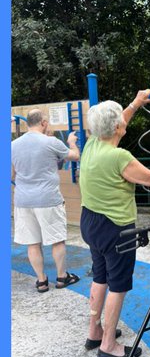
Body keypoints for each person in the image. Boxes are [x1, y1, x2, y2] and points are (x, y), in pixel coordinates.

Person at [79, 91, 150, 357]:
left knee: (100, 276)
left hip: (91, 223)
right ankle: (108, 345)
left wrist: (135, 104)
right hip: (116, 228)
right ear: (117, 126)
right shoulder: (119, 156)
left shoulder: (92, 145)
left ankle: (94, 331)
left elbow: (115, 124)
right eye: (121, 120)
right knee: (118, 285)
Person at [11, 108, 81, 292]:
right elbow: (75, 156)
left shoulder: (12, 145)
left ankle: (41, 281)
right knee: (57, 240)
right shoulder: (51, 142)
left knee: (32, 243)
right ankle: (61, 277)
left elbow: (11, 174)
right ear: (43, 123)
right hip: (48, 199)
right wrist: (71, 142)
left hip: (23, 200)